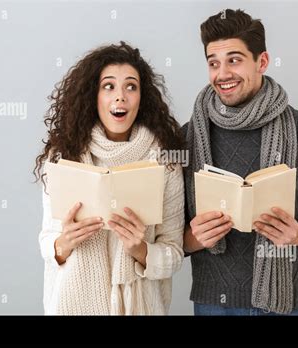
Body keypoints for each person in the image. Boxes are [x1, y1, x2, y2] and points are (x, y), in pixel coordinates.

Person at [182, 9, 298, 315]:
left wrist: (297, 234)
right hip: (213, 303)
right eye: (213, 63)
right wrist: (194, 238)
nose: (222, 74)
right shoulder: (189, 136)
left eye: (234, 60)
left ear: (261, 61)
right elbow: (167, 237)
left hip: (286, 303)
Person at [33, 41, 185, 315]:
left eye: (131, 86)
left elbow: (174, 253)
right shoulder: (63, 156)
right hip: (72, 305)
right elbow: (47, 242)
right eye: (109, 86)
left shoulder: (165, 161)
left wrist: (140, 249)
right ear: (95, 96)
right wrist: (64, 242)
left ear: (142, 98)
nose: (120, 97)